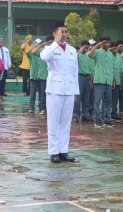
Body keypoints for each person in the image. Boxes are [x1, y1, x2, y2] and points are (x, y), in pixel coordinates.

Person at [40, 25, 79, 163]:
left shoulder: (72, 50)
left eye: (65, 32)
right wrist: (55, 42)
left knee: (66, 123)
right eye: (61, 32)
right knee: (53, 122)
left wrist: (76, 92)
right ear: (54, 33)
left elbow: (75, 72)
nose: (64, 34)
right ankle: (54, 152)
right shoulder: (49, 49)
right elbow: (44, 57)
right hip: (54, 89)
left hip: (69, 88)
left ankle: (63, 151)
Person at [88, 36, 115, 128]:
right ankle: (97, 120)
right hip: (99, 80)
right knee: (97, 101)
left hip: (108, 81)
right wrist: (98, 45)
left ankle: (107, 120)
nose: (108, 44)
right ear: (101, 43)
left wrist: (113, 80)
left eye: (109, 42)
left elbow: (112, 68)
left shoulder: (110, 54)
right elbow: (90, 54)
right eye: (106, 42)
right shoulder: (97, 52)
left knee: (108, 101)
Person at [73, 40, 92, 122]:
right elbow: (74, 61)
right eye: (85, 48)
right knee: (78, 96)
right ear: (81, 47)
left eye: (87, 48)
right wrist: (79, 51)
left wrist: (90, 80)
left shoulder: (88, 55)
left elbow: (90, 68)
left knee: (86, 97)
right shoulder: (77, 54)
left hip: (87, 77)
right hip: (79, 76)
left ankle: (85, 114)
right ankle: (76, 115)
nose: (86, 49)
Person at [110, 41, 123, 120]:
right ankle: (108, 113)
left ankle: (114, 113)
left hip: (118, 81)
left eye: (116, 49)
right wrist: (113, 81)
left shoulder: (119, 57)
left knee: (115, 98)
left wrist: (121, 82)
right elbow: (110, 70)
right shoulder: (109, 56)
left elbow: (120, 71)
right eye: (114, 49)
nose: (115, 50)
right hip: (110, 81)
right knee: (109, 99)